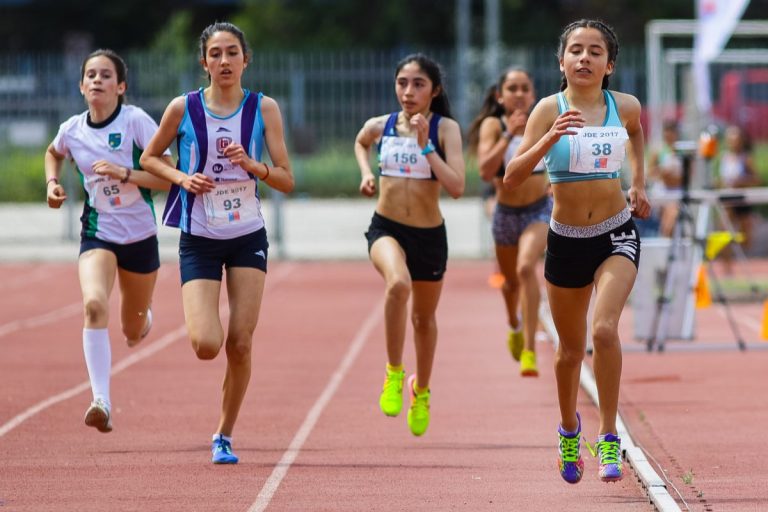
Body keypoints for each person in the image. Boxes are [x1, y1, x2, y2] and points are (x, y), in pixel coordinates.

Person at [140, 22, 294, 464]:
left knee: (240, 343)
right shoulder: (183, 107)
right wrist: (181, 178)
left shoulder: (264, 110)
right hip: (200, 238)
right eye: (215, 54)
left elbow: (286, 179)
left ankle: (223, 434)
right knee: (207, 344)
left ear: (246, 59)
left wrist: (254, 166)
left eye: (232, 53)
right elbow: (150, 157)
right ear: (203, 62)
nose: (224, 62)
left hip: (247, 236)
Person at [504, 19, 650, 484]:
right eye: (575, 51)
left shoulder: (623, 105)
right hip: (566, 240)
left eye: (594, 52)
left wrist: (639, 183)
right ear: (561, 61)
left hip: (615, 232)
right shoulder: (548, 109)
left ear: (610, 64)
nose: (584, 59)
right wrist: (549, 139)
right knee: (569, 352)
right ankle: (569, 428)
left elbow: (637, 132)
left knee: (603, 330)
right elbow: (512, 174)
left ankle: (609, 436)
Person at [44, 49, 172, 434]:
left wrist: (126, 173)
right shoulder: (72, 130)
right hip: (97, 232)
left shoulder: (136, 123)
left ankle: (143, 315)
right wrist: (51, 183)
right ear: (82, 86)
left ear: (121, 86)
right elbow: (53, 152)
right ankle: (101, 400)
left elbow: (168, 177)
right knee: (94, 304)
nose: (97, 81)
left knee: (132, 332)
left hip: (139, 236)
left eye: (105, 75)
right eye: (91, 75)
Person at [354, 53, 465, 436]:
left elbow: (456, 188)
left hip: (429, 236)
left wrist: (425, 146)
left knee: (423, 318)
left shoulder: (444, 129)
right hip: (386, 228)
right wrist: (367, 173)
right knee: (397, 284)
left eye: (418, 84)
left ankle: (423, 391)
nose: (408, 91)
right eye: (402, 82)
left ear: (435, 90)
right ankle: (394, 372)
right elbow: (361, 141)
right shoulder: (381, 125)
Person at [467, 68, 551, 377]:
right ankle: (514, 324)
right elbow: (485, 172)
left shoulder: (544, 120)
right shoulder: (494, 125)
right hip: (506, 212)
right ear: (499, 96)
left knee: (527, 268)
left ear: (532, 94)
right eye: (512, 88)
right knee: (510, 283)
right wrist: (508, 136)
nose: (518, 94)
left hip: (538, 209)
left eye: (524, 88)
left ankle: (529, 349)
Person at [717, 124, 760, 262]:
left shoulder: (746, 158)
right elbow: (723, 180)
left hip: (742, 201)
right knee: (723, 235)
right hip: (728, 202)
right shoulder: (724, 157)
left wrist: (740, 181)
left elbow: (756, 179)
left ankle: (739, 264)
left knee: (746, 240)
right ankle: (727, 269)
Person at [647, 120, 683, 237]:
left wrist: (673, 177)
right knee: (666, 220)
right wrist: (662, 172)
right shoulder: (658, 151)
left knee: (671, 219)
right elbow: (650, 172)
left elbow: (687, 175)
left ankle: (667, 245)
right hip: (662, 191)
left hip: (677, 191)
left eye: (672, 132)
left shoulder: (682, 150)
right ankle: (666, 245)